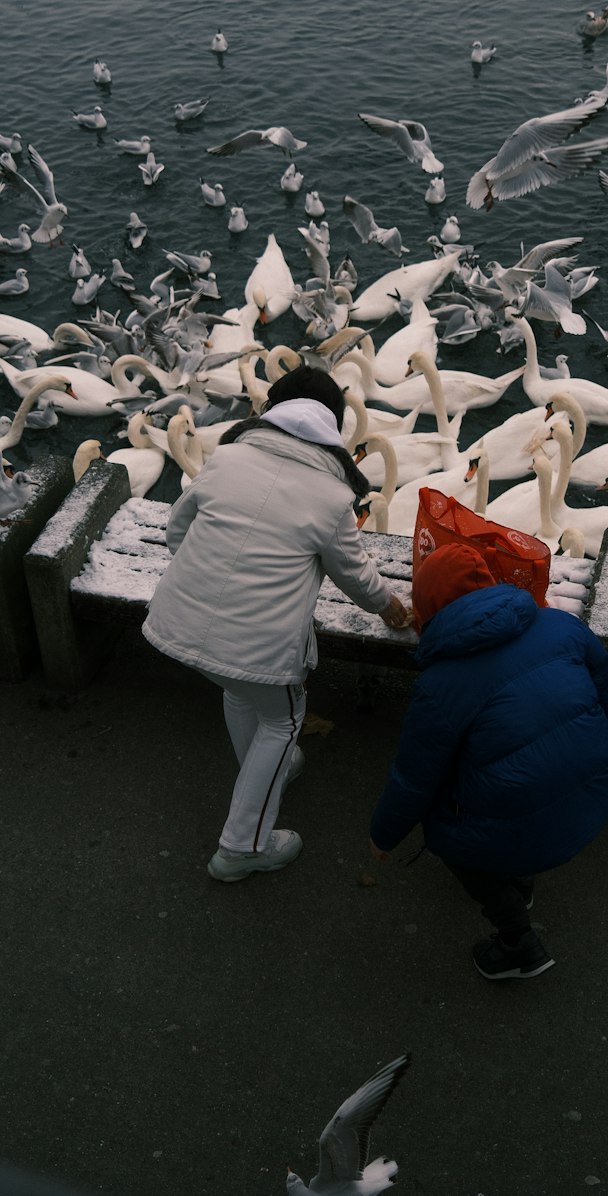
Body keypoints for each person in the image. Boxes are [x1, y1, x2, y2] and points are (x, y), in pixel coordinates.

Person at [143, 365, 409, 882]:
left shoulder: (228, 457)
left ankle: (274, 769)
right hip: (256, 647)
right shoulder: (333, 498)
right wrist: (390, 607)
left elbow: (178, 532)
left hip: (176, 621)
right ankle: (242, 847)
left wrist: (205, 577)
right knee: (283, 717)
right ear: (331, 429)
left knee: (242, 694)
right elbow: (354, 575)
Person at [368, 542, 608, 980]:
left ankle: (517, 943)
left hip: (533, 819)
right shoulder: (562, 625)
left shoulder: (440, 685)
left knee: (444, 823)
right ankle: (521, 878)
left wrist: (383, 838)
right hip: (595, 794)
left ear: (427, 607)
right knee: (518, 769)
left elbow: (413, 781)